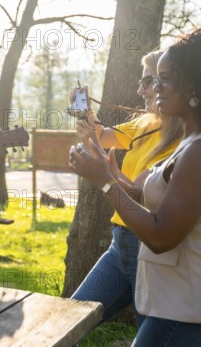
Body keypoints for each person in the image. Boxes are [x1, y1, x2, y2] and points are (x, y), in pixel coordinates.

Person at [69, 28, 201, 345]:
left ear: (193, 84)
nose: (153, 87)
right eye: (153, 79)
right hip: (167, 294)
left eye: (163, 78)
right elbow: (152, 198)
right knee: (68, 316)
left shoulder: (195, 150)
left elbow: (160, 235)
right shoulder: (189, 142)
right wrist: (111, 176)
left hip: (184, 308)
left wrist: (104, 182)